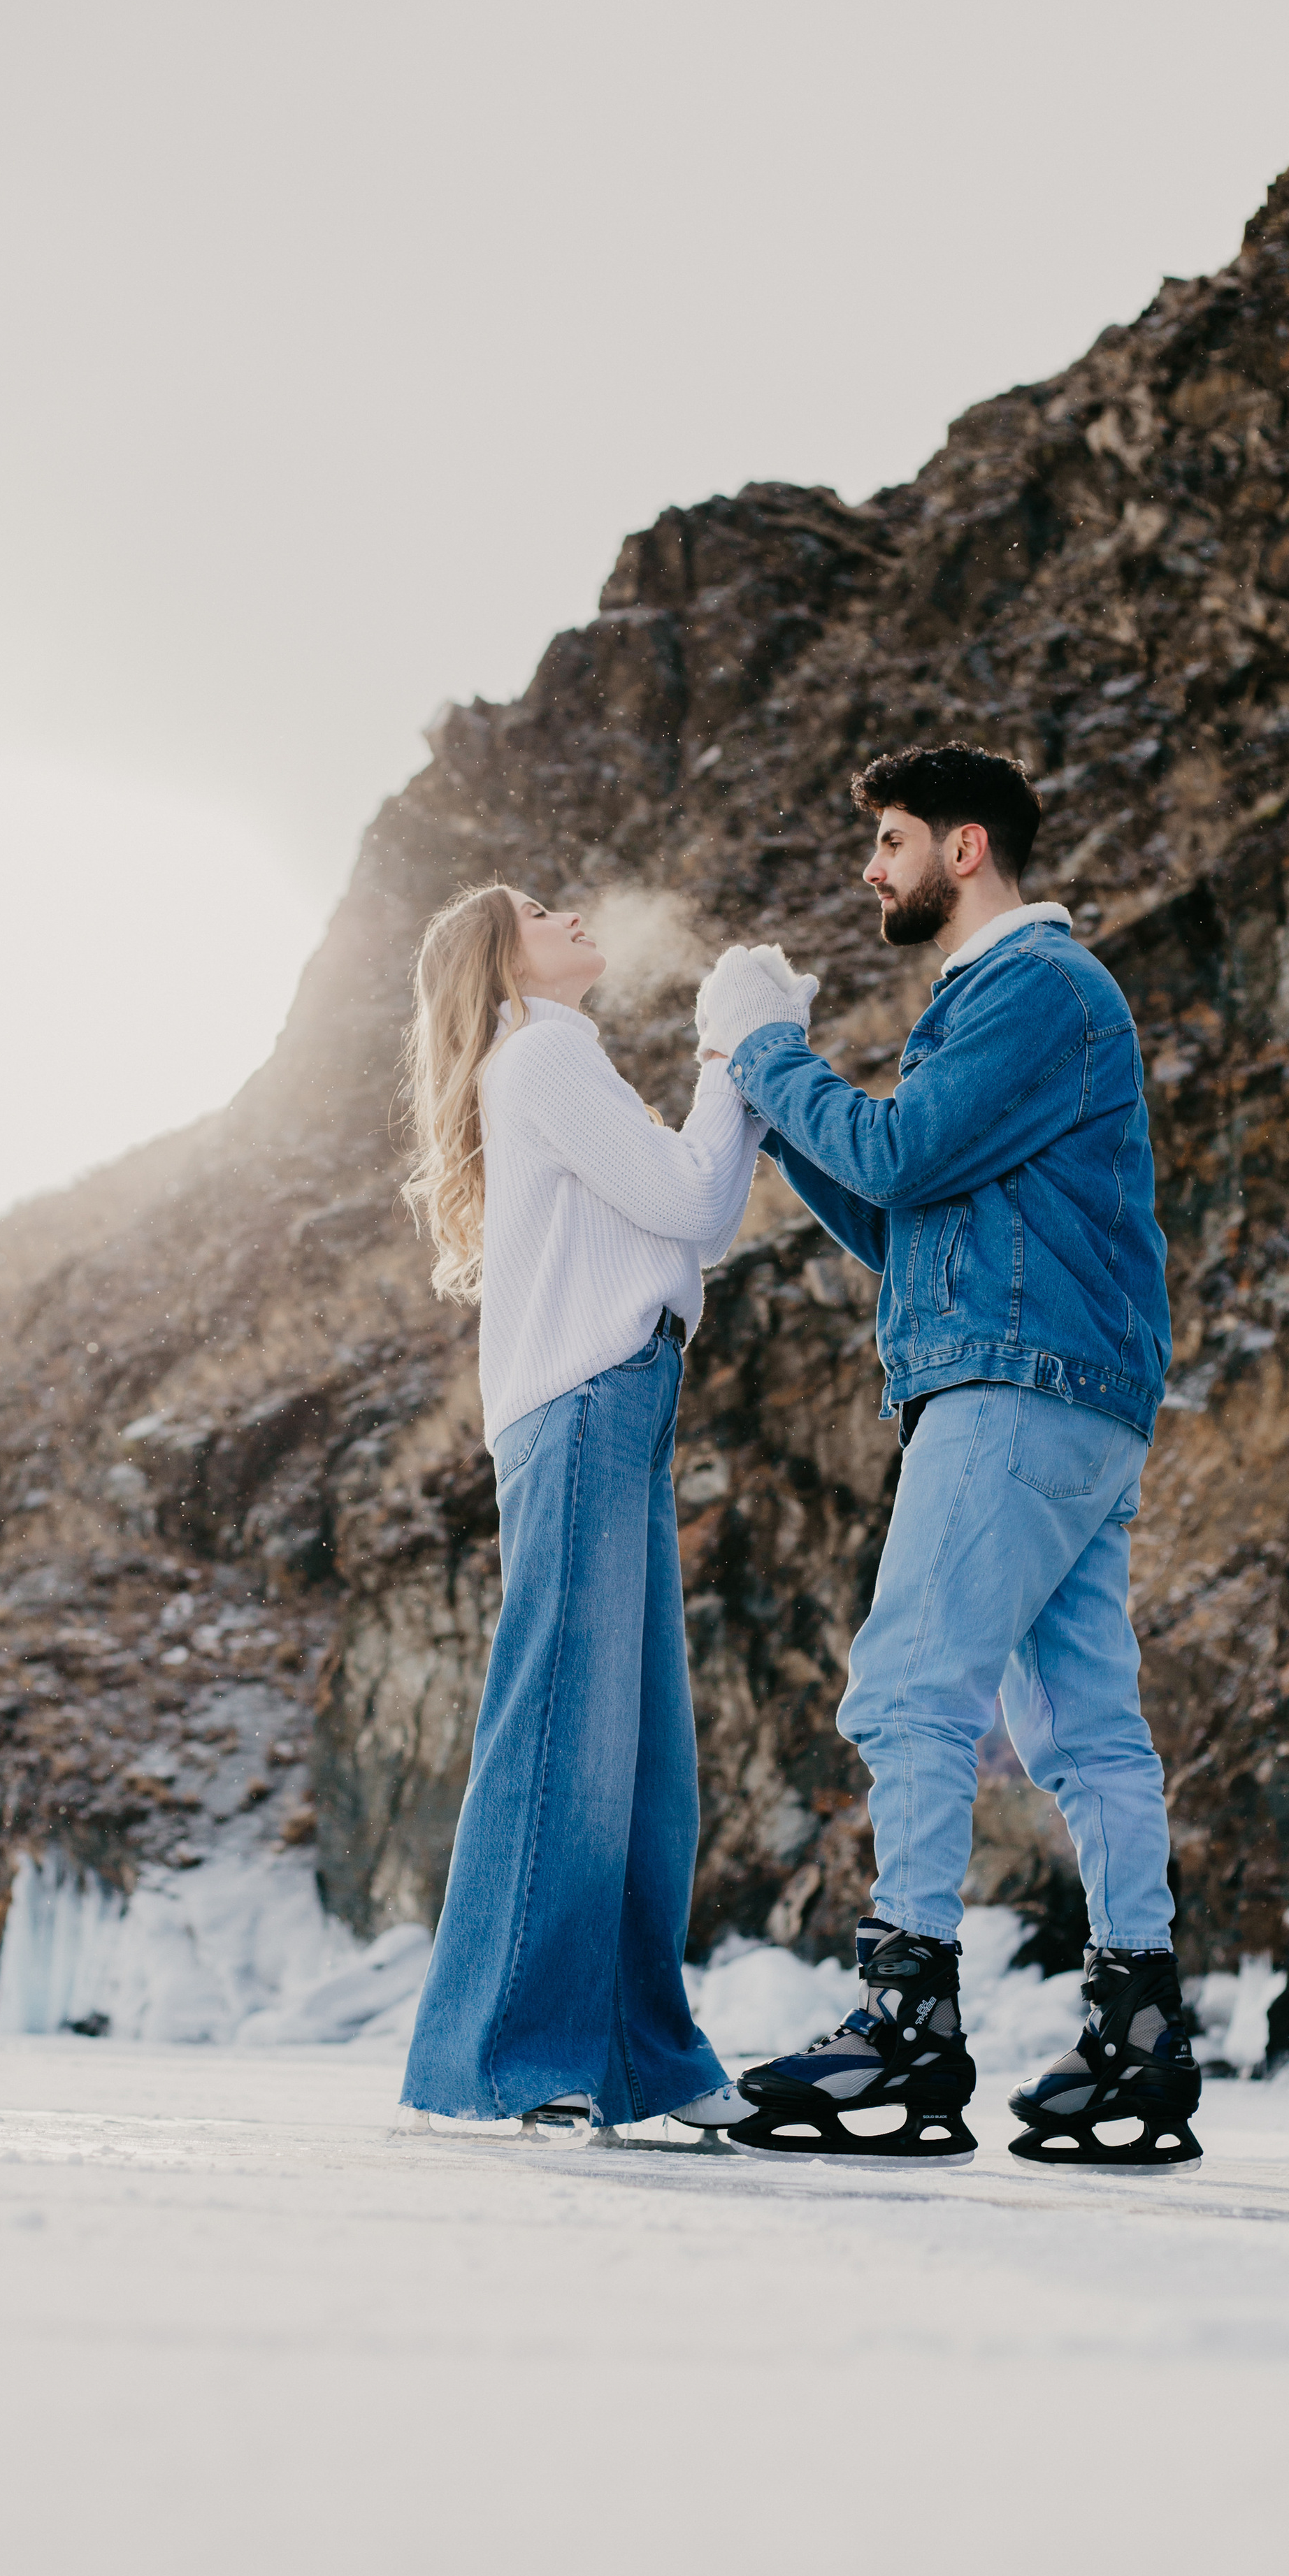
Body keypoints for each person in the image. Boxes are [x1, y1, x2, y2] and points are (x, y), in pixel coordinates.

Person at [691, 742, 1204, 2172]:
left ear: (963, 848)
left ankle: (905, 2023)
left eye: (892, 840)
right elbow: (898, 1217)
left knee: (912, 1687)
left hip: (1013, 1391)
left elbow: (903, 1156)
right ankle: (1138, 2036)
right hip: (1070, 1400)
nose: (872, 868)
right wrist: (771, 1108)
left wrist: (768, 1054)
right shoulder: (1015, 1002)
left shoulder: (1033, 986)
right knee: (1083, 1730)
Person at [396, 878, 791, 2141]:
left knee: (642, 1762)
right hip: (582, 1406)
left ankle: (644, 2061)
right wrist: (732, 1052)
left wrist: (739, 1059)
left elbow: (689, 1216)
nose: (570, 915)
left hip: (612, 1408)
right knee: (567, 1739)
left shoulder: (558, 1058)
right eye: (539, 912)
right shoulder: (543, 1055)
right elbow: (697, 1205)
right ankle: (515, 2058)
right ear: (504, 962)